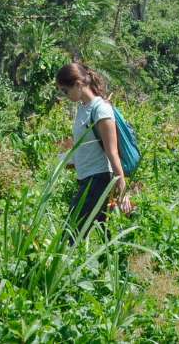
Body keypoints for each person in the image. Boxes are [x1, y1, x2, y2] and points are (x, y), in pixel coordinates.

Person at [56, 62, 134, 235]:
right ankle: (115, 260)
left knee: (70, 234)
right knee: (103, 235)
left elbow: (112, 153)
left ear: (78, 84)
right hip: (87, 179)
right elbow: (88, 147)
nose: (65, 95)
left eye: (65, 91)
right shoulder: (83, 109)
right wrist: (69, 161)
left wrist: (123, 192)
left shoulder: (101, 110)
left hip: (98, 181)